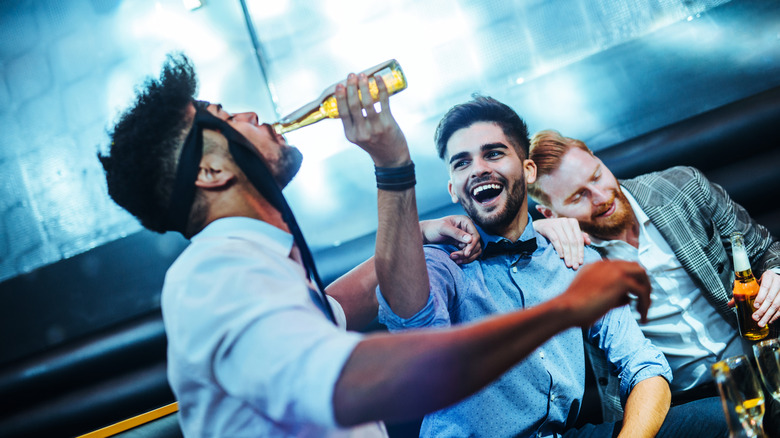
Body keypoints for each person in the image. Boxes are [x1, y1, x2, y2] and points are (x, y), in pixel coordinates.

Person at [97, 54, 655, 437]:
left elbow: (339, 309)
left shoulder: (261, 267)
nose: (249, 114)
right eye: (224, 118)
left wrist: (397, 181)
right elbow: (354, 377)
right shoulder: (216, 276)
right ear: (212, 171)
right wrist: (562, 310)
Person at [375, 95, 727, 437]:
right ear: (453, 188)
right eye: (462, 162)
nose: (479, 168)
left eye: (493, 153)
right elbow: (413, 328)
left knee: (720, 419)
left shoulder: (573, 257)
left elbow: (644, 365)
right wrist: (394, 177)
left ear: (528, 170)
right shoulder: (442, 262)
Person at [527, 129, 780, 429]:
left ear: (598, 160)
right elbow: (482, 254)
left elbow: (765, 249)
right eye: (578, 196)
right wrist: (535, 232)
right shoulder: (564, 260)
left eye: (596, 177)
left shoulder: (683, 186)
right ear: (550, 213)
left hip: (763, 362)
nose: (600, 196)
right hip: (681, 403)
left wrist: (776, 275)